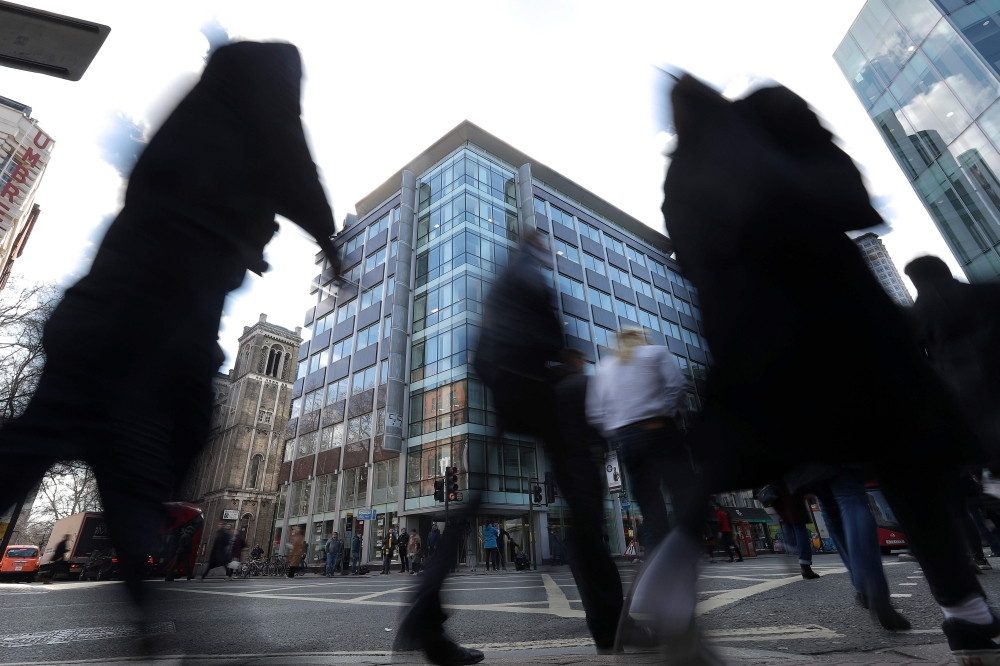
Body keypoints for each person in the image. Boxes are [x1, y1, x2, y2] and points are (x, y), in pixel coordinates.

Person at [621, 75, 994, 659]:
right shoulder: (766, 109)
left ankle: (660, 592)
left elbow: (692, 266)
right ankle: (966, 611)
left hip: (752, 330)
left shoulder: (679, 177)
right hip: (837, 306)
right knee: (905, 461)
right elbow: (846, 192)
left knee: (721, 464)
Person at [0, 41, 339, 618]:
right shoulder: (262, 101)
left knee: (101, 443)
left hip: (118, 304)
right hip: (165, 306)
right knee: (160, 430)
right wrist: (329, 240)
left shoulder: (203, 112)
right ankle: (148, 606)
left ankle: (145, 609)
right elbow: (293, 166)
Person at [587, 328, 692, 554]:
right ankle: (687, 548)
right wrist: (674, 414)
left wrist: (616, 432)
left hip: (628, 439)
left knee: (650, 506)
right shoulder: (656, 353)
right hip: (660, 429)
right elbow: (678, 387)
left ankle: (656, 565)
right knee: (683, 493)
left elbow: (595, 413)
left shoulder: (604, 367)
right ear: (641, 339)